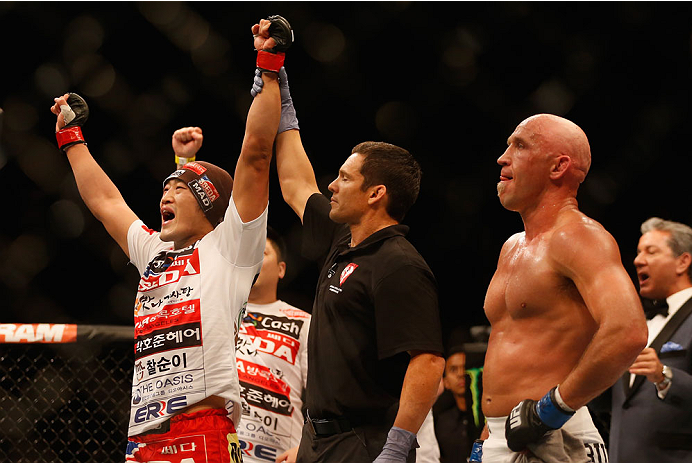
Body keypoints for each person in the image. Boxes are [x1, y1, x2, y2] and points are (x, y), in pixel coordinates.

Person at [50, 17, 287, 463]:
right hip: (142, 435)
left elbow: (256, 154)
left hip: (204, 430)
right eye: (164, 187)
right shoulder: (154, 252)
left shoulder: (231, 249)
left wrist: (269, 64)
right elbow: (105, 201)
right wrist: (71, 138)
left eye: (179, 188)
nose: (165, 194)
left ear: (209, 204)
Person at [252, 67, 445, 462]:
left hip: (366, 442)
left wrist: (398, 445)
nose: (331, 186)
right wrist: (283, 104)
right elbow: (295, 184)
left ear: (375, 194)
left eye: (344, 178)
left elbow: (428, 361)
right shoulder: (344, 239)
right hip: (319, 439)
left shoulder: (398, 264)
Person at [477, 114, 648, 462]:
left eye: (520, 145)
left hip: (556, 435)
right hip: (502, 433)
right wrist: (486, 438)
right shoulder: (512, 246)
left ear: (558, 167)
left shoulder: (579, 237)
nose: (502, 157)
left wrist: (551, 410)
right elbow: (508, 348)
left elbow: (628, 330)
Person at [609, 217, 692, 462]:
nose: (637, 260)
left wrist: (664, 375)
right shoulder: (637, 325)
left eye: (651, 251)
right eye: (637, 252)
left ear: (682, 261)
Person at [235, 227, 310, 463]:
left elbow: (324, 397)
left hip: (281, 455)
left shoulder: (304, 322)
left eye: (263, 253)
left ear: (281, 269)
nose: (255, 258)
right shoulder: (217, 311)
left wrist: (309, 447)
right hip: (219, 450)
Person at [434, 346, 485, 463]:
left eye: (465, 368)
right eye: (453, 369)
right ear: (445, 382)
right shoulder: (441, 423)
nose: (461, 374)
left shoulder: (490, 416)